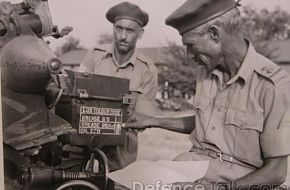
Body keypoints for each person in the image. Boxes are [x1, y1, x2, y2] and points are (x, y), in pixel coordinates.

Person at [125, 0, 290, 189]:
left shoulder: (273, 85)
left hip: (239, 181)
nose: (188, 54)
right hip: (192, 167)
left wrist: (223, 188)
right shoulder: (206, 70)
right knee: (125, 183)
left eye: (191, 45)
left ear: (214, 34)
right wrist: (152, 120)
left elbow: (276, 171)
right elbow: (207, 124)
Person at [79, 2, 158, 172]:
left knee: (119, 183)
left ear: (140, 34)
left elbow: (142, 119)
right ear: (113, 29)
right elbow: (76, 95)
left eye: (129, 31)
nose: (123, 36)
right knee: (72, 179)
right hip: (85, 132)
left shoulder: (147, 69)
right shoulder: (94, 56)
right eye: (118, 28)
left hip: (122, 142)